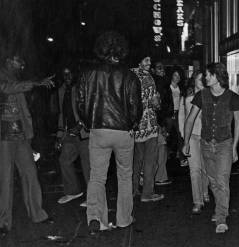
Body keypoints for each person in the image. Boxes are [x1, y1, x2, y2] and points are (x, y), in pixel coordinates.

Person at [77, 31, 142, 234]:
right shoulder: (130, 76)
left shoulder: (88, 74)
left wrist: (89, 123)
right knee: (124, 176)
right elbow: (135, 106)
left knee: (97, 176)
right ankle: (123, 218)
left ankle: (97, 218)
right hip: (123, 131)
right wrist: (132, 124)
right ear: (121, 51)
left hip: (99, 130)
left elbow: (80, 103)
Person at [181, 62, 239, 233]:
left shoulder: (233, 97)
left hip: (225, 144)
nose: (206, 77)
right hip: (206, 143)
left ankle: (221, 218)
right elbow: (191, 118)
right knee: (213, 181)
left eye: (208, 75)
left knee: (222, 180)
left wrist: (235, 146)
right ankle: (221, 207)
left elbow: (238, 123)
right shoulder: (201, 95)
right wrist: (186, 142)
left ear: (217, 77)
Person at [0, 54, 54, 235]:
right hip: (4, 136)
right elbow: (6, 88)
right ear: (8, 61)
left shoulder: (16, 78)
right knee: (5, 179)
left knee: (30, 173)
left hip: (21, 135)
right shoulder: (3, 76)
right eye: (18, 62)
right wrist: (35, 83)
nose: (21, 65)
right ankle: (3, 222)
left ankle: (37, 214)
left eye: (23, 63)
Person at [54, 66, 89, 207]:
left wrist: (81, 125)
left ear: (75, 74)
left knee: (88, 166)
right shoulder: (62, 90)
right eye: (64, 74)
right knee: (64, 160)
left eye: (69, 73)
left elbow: (90, 109)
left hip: (84, 133)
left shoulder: (82, 87)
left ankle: (93, 197)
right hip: (69, 133)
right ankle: (73, 191)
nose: (67, 77)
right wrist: (59, 135)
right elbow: (62, 114)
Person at [131, 55, 164, 202]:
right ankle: (147, 193)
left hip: (135, 126)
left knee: (136, 160)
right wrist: (157, 102)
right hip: (149, 125)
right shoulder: (148, 77)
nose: (149, 63)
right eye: (146, 60)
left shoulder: (129, 75)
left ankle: (133, 190)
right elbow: (155, 103)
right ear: (139, 61)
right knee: (150, 160)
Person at [178, 71, 209, 214]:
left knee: (205, 168)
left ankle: (204, 192)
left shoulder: (209, 96)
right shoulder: (187, 97)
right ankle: (197, 201)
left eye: (204, 78)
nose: (202, 80)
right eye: (199, 78)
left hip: (206, 136)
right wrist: (184, 137)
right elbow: (182, 117)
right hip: (191, 136)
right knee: (194, 169)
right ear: (194, 80)